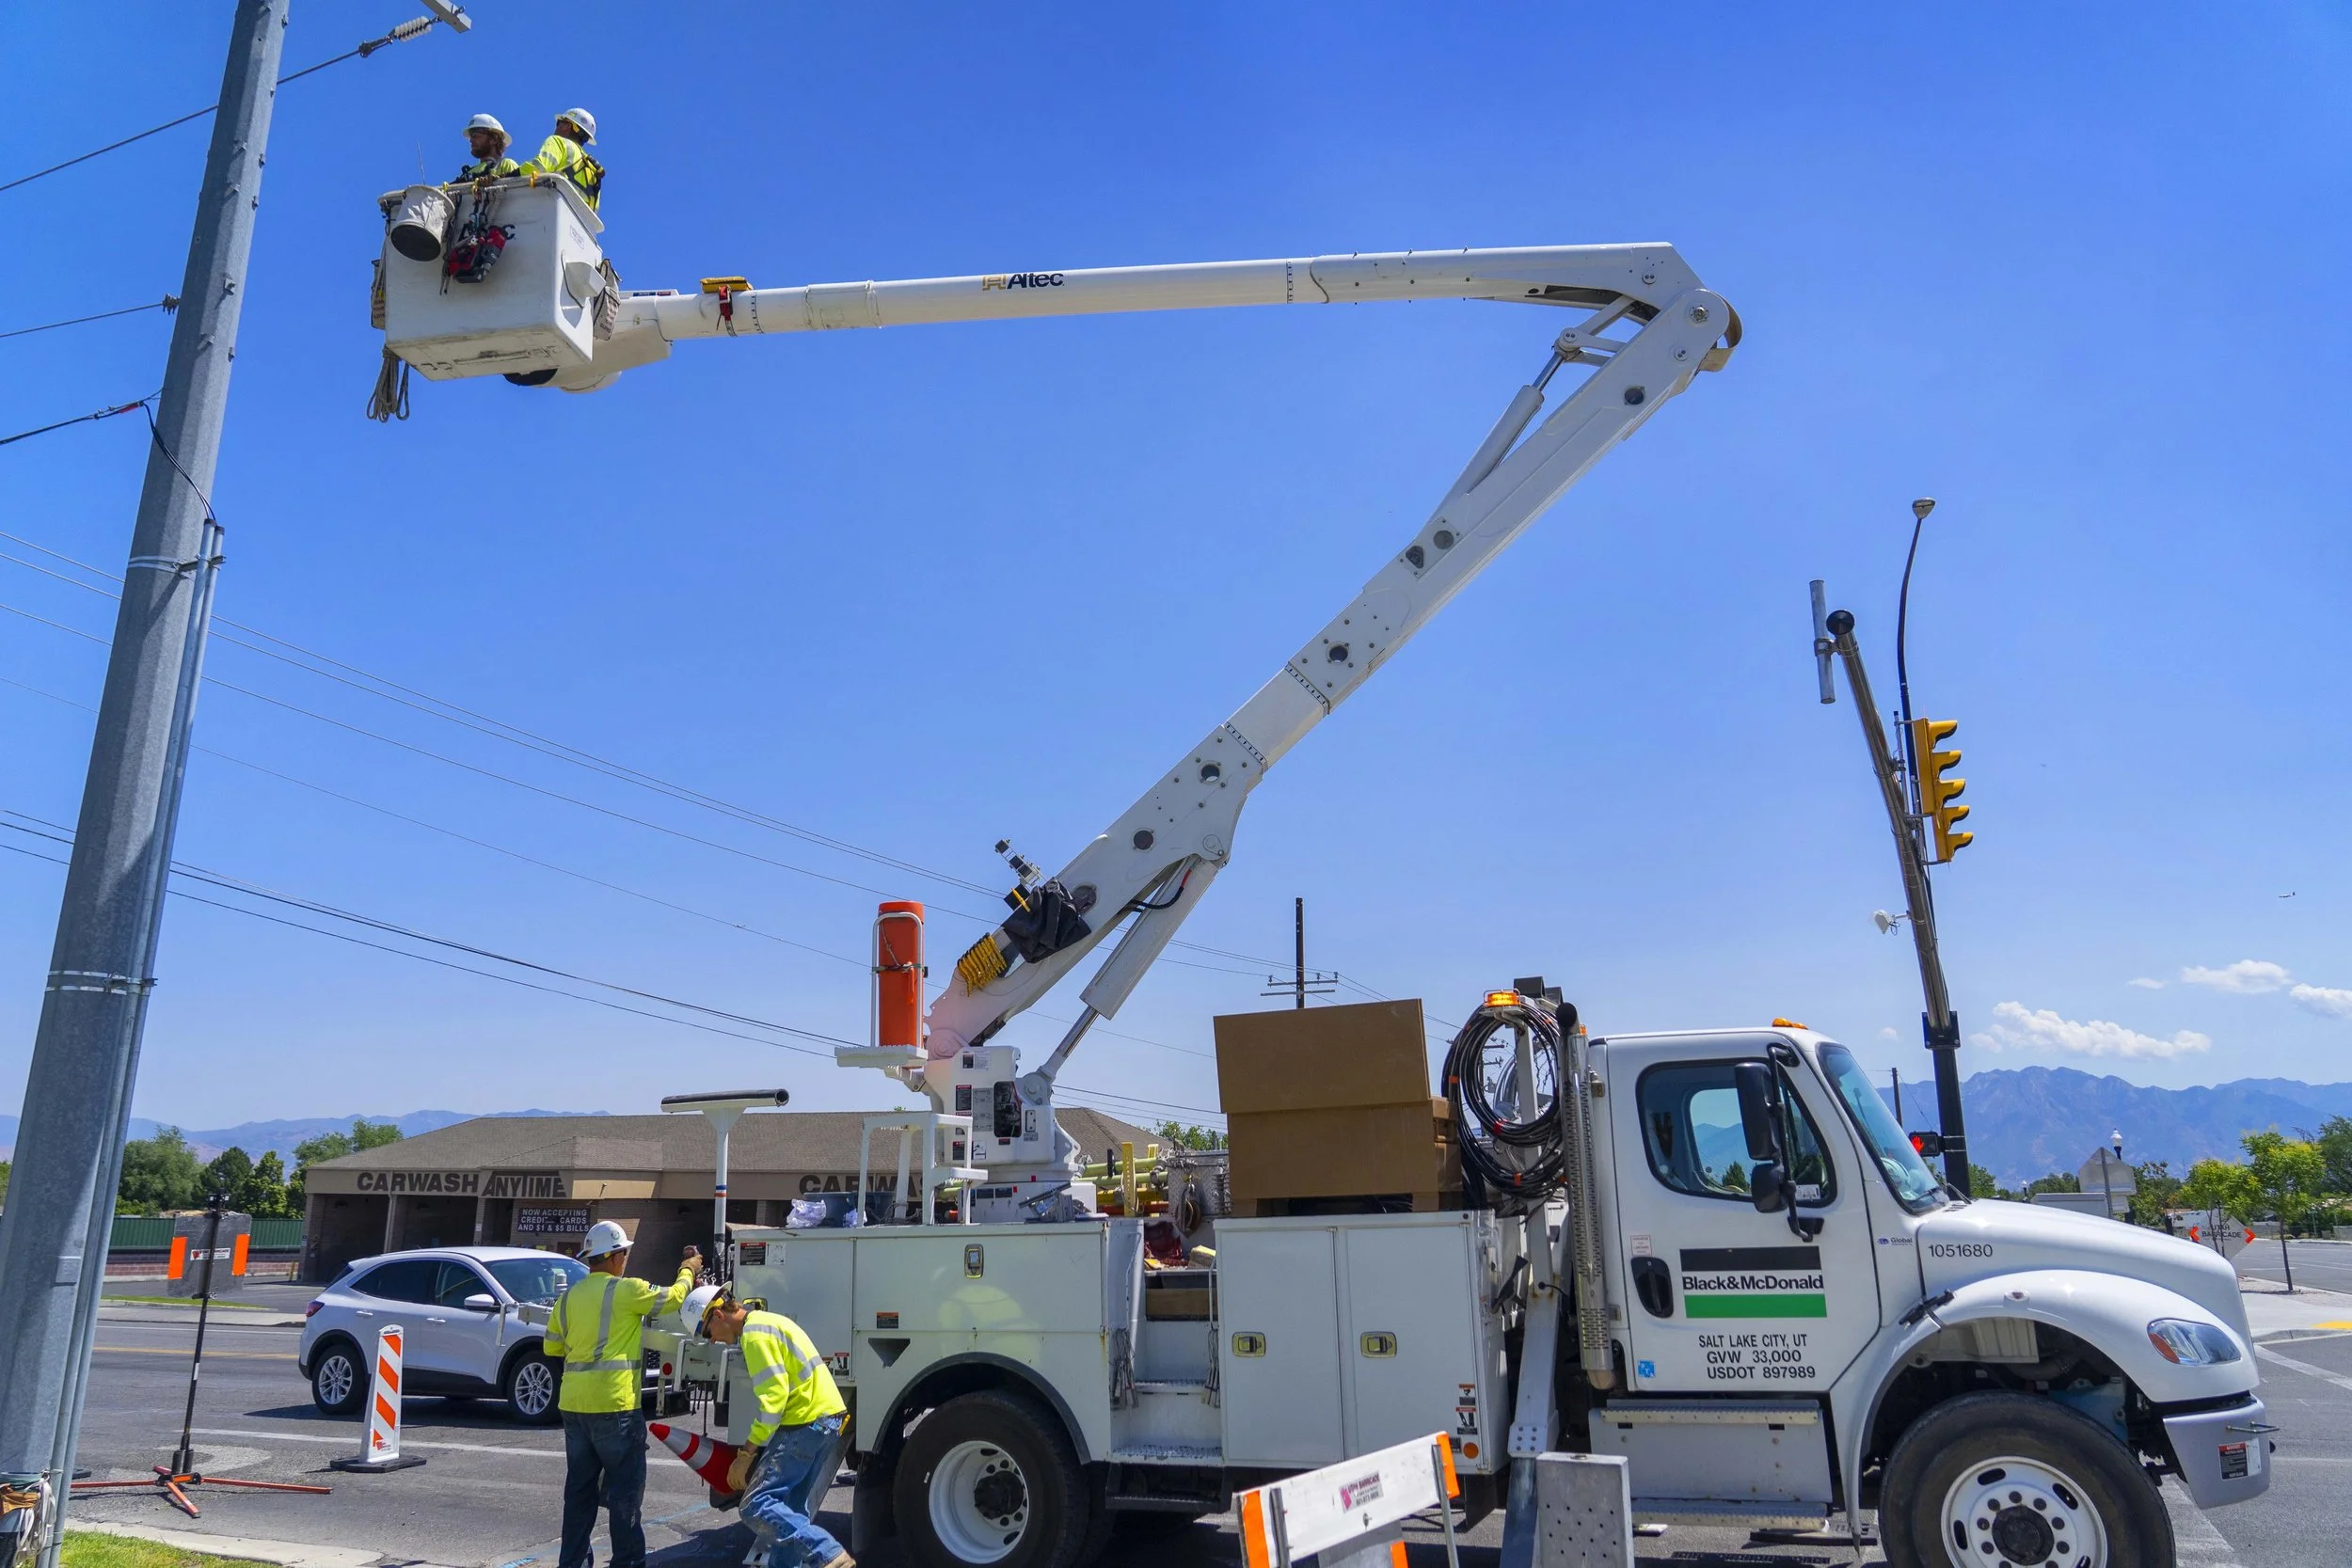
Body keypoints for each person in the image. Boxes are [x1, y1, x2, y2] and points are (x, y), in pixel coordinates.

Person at [544, 1224, 699, 1568]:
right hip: (615, 1406)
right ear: (614, 1257)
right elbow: (674, 1298)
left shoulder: (568, 1298)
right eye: (624, 1253)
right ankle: (627, 1563)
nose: (626, 1259)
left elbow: (552, 1344)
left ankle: (571, 1563)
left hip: (574, 1406)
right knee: (624, 1496)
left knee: (579, 1493)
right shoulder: (626, 1290)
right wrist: (689, 1270)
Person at [689, 1285, 852, 1568]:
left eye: (706, 1332)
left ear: (718, 1315)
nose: (712, 1341)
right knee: (789, 1509)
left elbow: (774, 1401)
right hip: (828, 1419)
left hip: (804, 1421)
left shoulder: (753, 1336)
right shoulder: (769, 1321)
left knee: (756, 1504)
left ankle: (827, 1553)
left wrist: (746, 1453)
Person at [517, 107, 604, 211]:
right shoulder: (592, 168)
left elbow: (536, 168)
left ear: (567, 126)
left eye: (559, 123)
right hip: (573, 224)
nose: (557, 127)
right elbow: (594, 210)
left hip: (548, 209)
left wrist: (508, 175)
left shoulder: (559, 142)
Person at [453, 113, 518, 182]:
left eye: (475, 135)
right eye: (471, 136)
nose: (471, 140)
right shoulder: (467, 174)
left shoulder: (505, 165)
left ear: (494, 139)